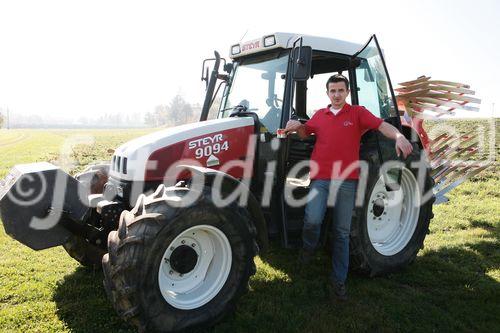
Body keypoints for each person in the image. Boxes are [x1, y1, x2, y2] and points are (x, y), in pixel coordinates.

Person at [284, 74, 413, 301]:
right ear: (327, 93)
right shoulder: (319, 115)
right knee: (312, 220)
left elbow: (382, 126)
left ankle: (338, 280)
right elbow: (306, 133)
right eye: (332, 91)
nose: (336, 95)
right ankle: (308, 249)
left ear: (347, 92)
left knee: (342, 233)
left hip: (347, 182)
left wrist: (399, 136)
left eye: (340, 91)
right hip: (321, 179)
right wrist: (297, 127)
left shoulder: (357, 113)